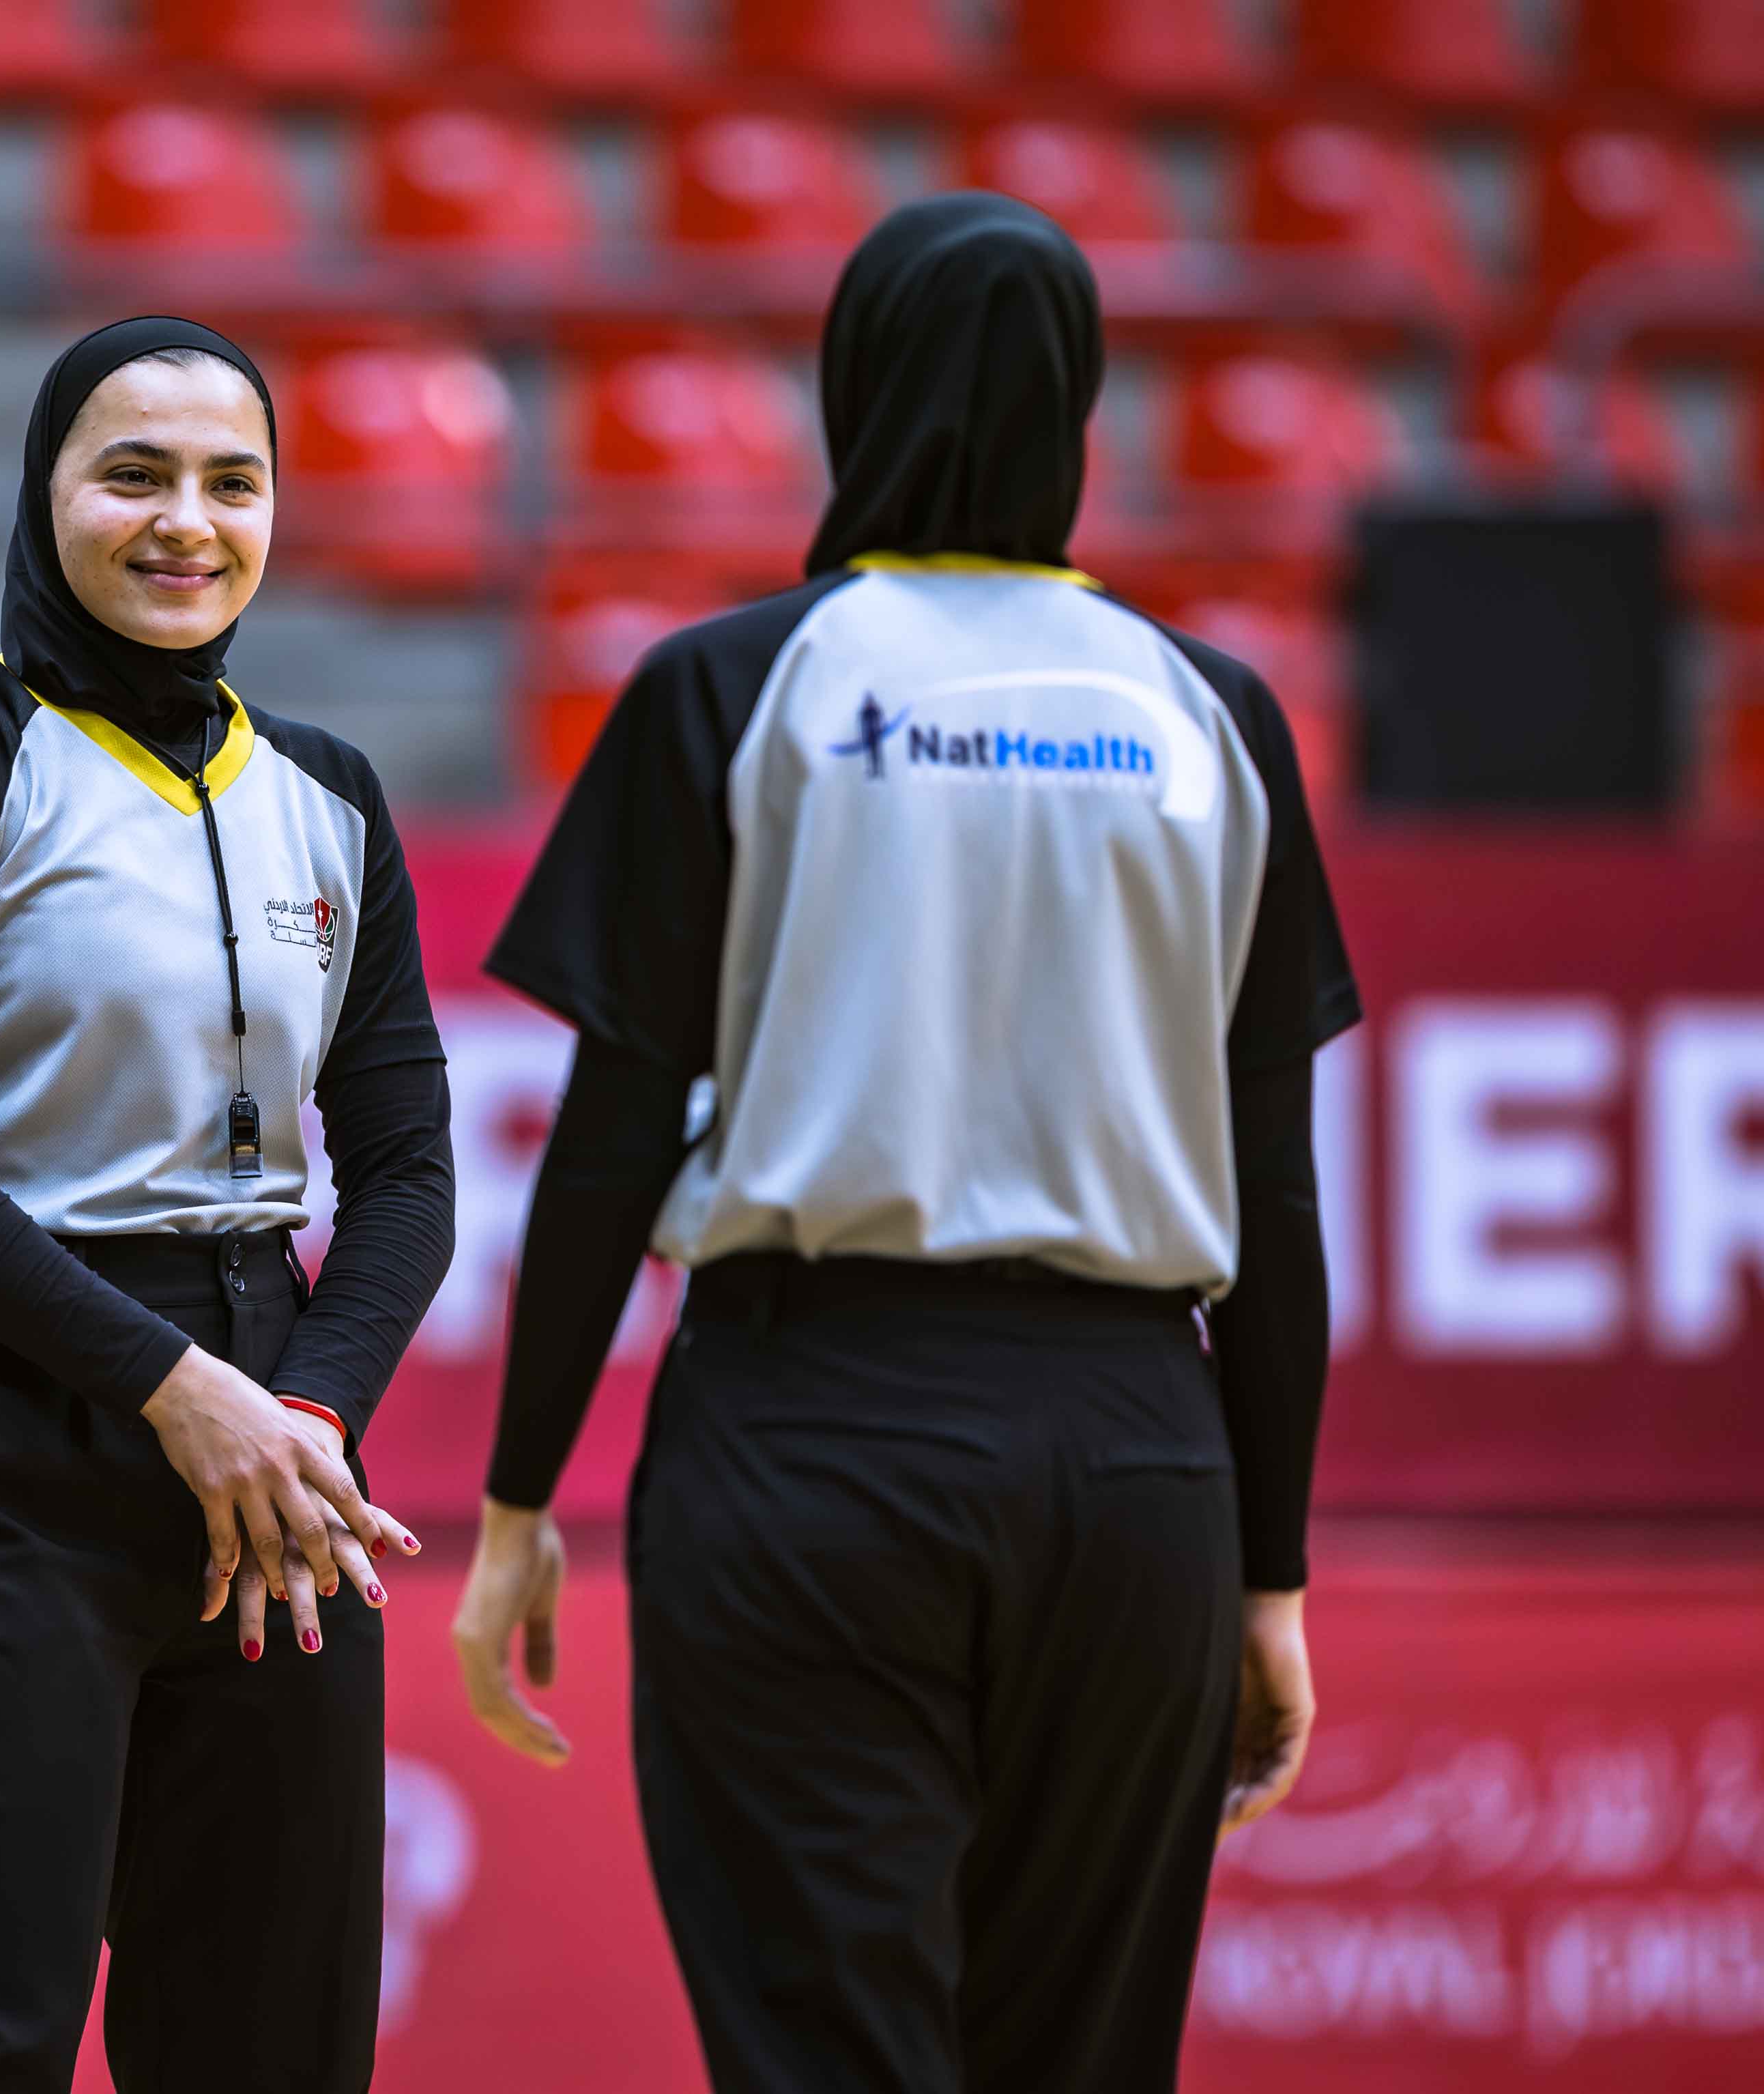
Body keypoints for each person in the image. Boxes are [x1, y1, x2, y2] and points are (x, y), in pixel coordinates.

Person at [448, 193, 1361, 2093]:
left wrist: (519, 1499)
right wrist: (1266, 1569)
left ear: (848, 388)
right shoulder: (1218, 716)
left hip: (809, 1439)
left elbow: (607, 1141)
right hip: (1135, 1460)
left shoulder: (729, 683)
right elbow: (1275, 1198)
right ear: (1081, 404)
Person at [0, 315, 454, 2094]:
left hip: (279, 1458)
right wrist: (171, 1389)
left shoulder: (332, 793)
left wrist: (306, 1411)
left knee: (273, 2044)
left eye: (232, 481)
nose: (188, 520)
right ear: (43, 496)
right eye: (134, 474)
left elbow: (408, 1170)